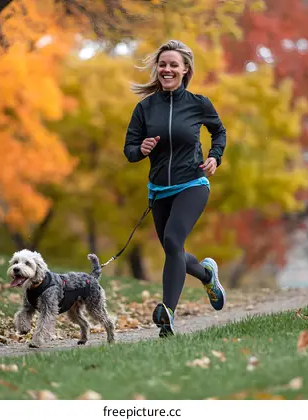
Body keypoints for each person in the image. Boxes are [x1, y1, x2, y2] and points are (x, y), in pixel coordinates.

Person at [123, 39, 227, 337]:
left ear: (185, 70)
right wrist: (141, 149)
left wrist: (214, 156)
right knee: (174, 249)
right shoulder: (145, 108)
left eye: (173, 65)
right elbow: (129, 151)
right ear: (157, 68)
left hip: (193, 183)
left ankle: (167, 313)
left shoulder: (198, 103)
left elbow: (219, 131)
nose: (167, 69)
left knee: (171, 240)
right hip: (159, 190)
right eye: (163, 64)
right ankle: (206, 274)